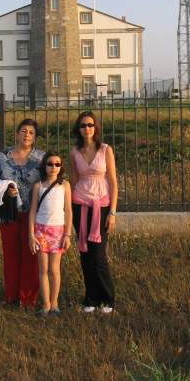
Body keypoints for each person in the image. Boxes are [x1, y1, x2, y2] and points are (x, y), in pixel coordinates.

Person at [0, 119, 44, 307]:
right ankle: (11, 297)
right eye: (24, 131)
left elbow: (49, 182)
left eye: (31, 132)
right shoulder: (3, 157)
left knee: (31, 255)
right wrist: (5, 190)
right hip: (9, 212)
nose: (27, 135)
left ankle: (28, 299)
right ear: (17, 133)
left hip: (33, 214)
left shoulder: (41, 159)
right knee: (10, 255)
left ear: (35, 137)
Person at [70, 111, 118, 313]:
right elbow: (72, 181)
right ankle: (90, 298)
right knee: (85, 253)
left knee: (98, 255)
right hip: (79, 204)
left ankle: (107, 298)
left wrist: (113, 212)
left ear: (95, 127)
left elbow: (113, 182)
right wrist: (67, 209)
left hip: (102, 205)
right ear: (78, 129)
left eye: (90, 125)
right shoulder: (74, 152)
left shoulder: (105, 150)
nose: (86, 129)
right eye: (83, 126)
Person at [28, 152, 72, 316]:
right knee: (43, 269)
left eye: (57, 164)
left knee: (54, 269)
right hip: (40, 230)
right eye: (50, 164)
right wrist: (31, 235)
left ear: (61, 167)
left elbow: (68, 211)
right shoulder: (38, 186)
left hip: (58, 231)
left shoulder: (65, 185)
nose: (53, 167)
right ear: (44, 166)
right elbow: (32, 211)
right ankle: (45, 304)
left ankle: (55, 303)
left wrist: (67, 235)